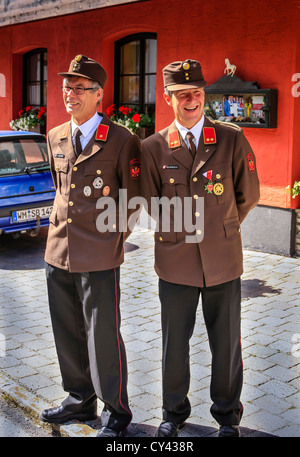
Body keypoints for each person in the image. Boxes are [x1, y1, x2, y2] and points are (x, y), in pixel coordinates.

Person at [141, 59, 260, 437]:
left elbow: (248, 194)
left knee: (226, 344)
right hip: (175, 262)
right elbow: (151, 201)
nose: (191, 99)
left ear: (203, 94)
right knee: (174, 343)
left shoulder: (230, 137)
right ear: (168, 97)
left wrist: (221, 228)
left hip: (223, 261)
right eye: (182, 93)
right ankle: (173, 413)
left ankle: (227, 416)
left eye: (197, 92)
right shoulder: (153, 147)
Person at [41, 55, 141, 437]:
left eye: (79, 88)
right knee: (66, 330)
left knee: (102, 335)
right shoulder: (55, 136)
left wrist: (111, 240)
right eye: (67, 87)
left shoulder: (121, 140)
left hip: (99, 255)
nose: (70, 93)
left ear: (98, 95)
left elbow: (133, 201)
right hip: (57, 251)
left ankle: (116, 410)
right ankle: (79, 398)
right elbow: (60, 188)